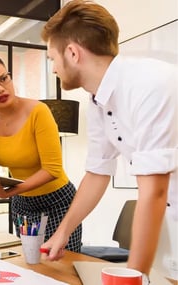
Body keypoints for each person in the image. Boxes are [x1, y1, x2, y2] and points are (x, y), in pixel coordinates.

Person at [40, 0, 177, 282]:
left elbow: (154, 191)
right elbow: (97, 172)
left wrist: (132, 276)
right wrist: (62, 233)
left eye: (52, 58)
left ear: (73, 53)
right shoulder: (99, 101)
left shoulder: (150, 83)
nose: (53, 68)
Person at [0, 55, 82, 252]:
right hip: (22, 205)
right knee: (31, 267)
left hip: (58, 201)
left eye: (3, 78)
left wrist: (11, 191)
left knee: (61, 270)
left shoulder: (39, 111)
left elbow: (53, 169)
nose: (0, 88)